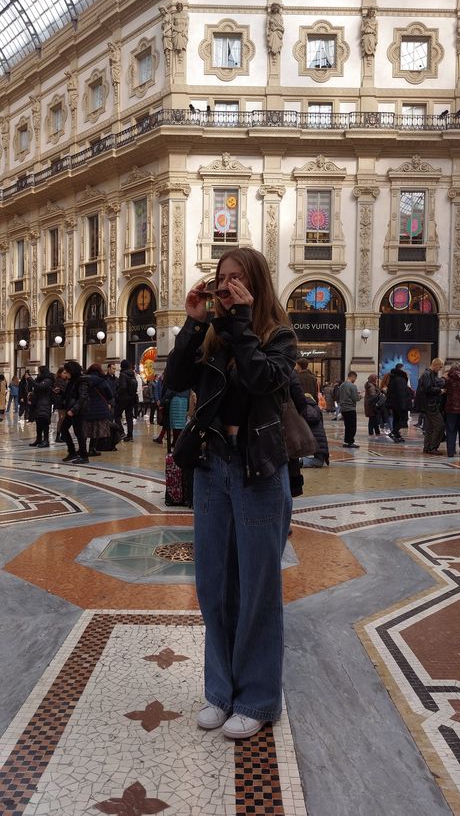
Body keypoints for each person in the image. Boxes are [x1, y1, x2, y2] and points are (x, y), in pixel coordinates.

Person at [165, 247, 296, 739]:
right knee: (214, 586)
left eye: (237, 280)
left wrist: (241, 320)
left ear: (256, 285)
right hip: (212, 468)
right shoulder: (212, 337)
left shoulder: (279, 336)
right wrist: (195, 323)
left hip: (259, 471)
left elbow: (263, 379)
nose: (226, 287)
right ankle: (220, 692)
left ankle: (259, 699)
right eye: (222, 280)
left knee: (259, 589)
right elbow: (175, 382)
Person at [61, 361, 90, 463]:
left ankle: (83, 455)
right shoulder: (72, 380)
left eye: (67, 371)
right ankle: (72, 452)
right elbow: (71, 395)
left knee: (79, 433)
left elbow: (83, 398)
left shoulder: (82, 381)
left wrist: (73, 410)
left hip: (78, 411)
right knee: (63, 429)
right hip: (71, 410)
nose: (65, 373)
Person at [83, 363, 113, 456]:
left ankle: (83, 449)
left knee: (84, 429)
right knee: (95, 430)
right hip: (99, 408)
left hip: (86, 407)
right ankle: (92, 449)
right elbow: (110, 395)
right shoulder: (102, 381)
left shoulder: (83, 379)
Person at [417, 358, 446, 455]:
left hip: (429, 404)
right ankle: (433, 447)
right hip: (430, 405)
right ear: (436, 365)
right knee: (440, 425)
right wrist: (439, 391)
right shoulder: (427, 374)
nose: (440, 369)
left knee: (430, 427)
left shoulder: (429, 374)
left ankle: (427, 447)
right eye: (440, 367)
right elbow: (428, 388)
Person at [301, 392, 330, 467]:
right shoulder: (316, 408)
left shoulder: (303, 408)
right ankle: (303, 461)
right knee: (319, 461)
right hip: (321, 441)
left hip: (311, 440)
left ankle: (301, 461)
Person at [28, 366, 55, 447]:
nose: (38, 373)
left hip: (44, 403)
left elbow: (39, 387)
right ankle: (38, 439)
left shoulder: (48, 380)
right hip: (38, 403)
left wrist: (30, 379)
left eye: (39, 371)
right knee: (38, 422)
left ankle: (46, 440)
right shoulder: (40, 379)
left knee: (44, 422)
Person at [385, 364, 412, 443]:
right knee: (404, 419)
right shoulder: (400, 379)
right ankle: (394, 432)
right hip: (400, 404)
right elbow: (401, 393)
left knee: (396, 419)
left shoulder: (394, 378)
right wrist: (404, 405)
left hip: (395, 403)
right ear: (401, 370)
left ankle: (396, 434)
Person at [115, 360, 137, 441]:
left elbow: (123, 387)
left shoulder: (122, 374)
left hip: (123, 398)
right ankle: (130, 435)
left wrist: (116, 393)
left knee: (116, 415)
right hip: (132, 398)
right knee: (129, 417)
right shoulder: (132, 374)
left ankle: (121, 432)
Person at [339, 371, 361, 448]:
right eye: (355, 378)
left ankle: (347, 441)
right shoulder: (352, 386)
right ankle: (350, 442)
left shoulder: (342, 385)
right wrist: (360, 396)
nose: (355, 380)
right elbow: (355, 398)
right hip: (350, 408)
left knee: (347, 426)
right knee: (352, 426)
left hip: (343, 408)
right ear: (353, 376)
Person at [52, 366, 67, 442]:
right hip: (61, 403)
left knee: (64, 419)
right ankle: (58, 436)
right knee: (62, 419)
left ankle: (62, 435)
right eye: (64, 373)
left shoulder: (65, 381)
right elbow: (59, 392)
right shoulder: (59, 381)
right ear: (60, 374)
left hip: (64, 403)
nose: (65, 374)